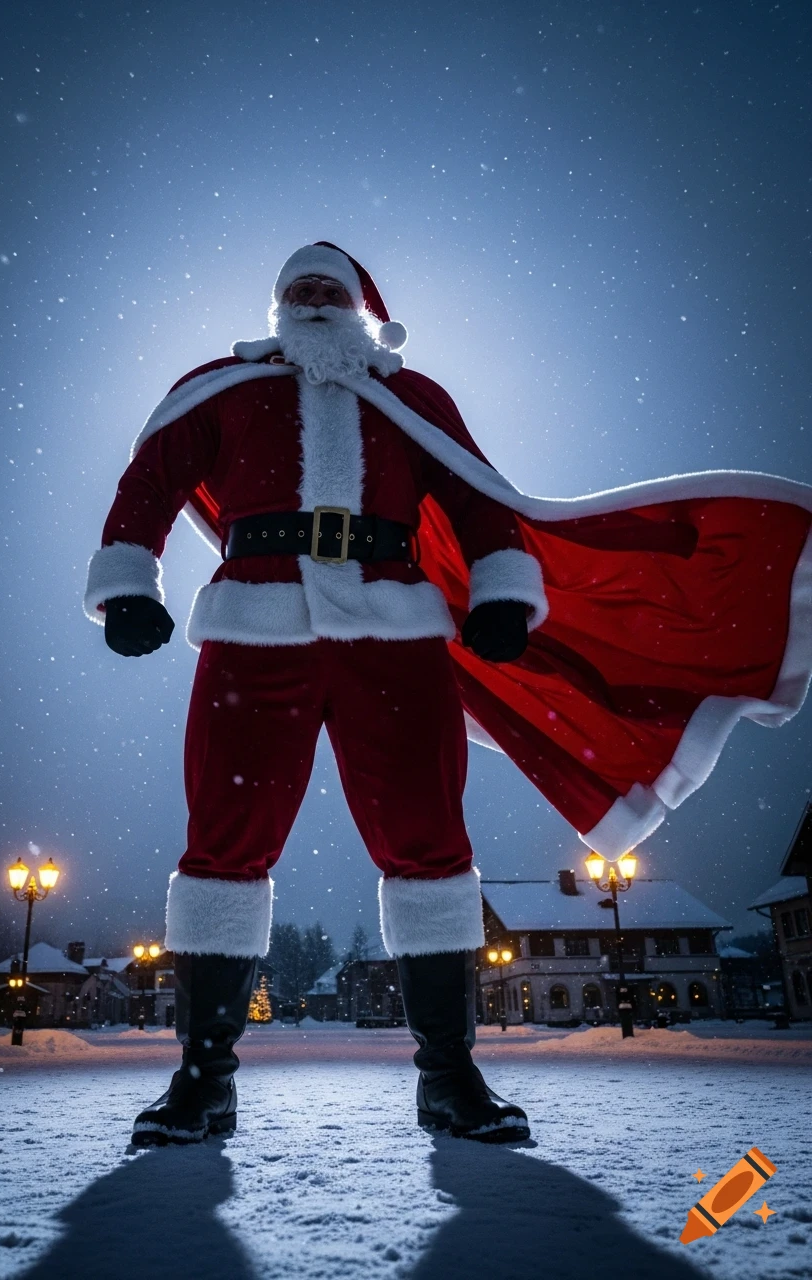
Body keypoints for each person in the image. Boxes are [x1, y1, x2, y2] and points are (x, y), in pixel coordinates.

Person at [86, 242, 812, 1145]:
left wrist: (506, 590)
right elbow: (149, 481)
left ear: (358, 308)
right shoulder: (219, 388)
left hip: (394, 634)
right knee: (222, 847)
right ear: (277, 307)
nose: (312, 298)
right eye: (297, 289)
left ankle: (450, 1076)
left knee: (428, 841)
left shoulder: (414, 397)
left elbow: (478, 502)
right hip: (253, 627)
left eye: (329, 289)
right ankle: (202, 1082)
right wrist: (127, 583)